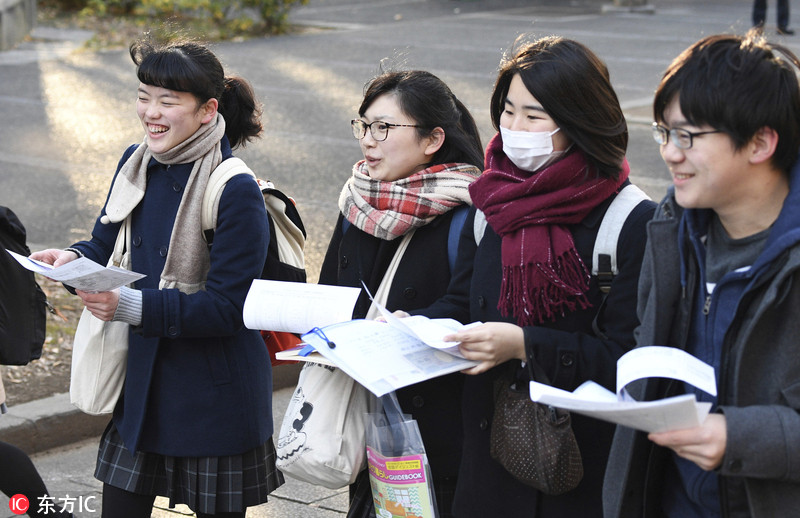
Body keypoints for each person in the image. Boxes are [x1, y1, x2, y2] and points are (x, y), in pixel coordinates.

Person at [30, 38, 282, 518]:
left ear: (208, 110)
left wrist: (129, 306)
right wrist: (69, 261)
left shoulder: (236, 190)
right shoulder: (135, 161)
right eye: (144, 95)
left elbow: (229, 308)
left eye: (168, 101)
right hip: (143, 388)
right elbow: (101, 247)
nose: (151, 112)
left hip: (215, 398)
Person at [409, 36, 655, 517]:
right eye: (507, 111)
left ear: (579, 120)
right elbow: (462, 303)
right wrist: (412, 326)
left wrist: (524, 345)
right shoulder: (493, 202)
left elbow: (630, 361)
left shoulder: (630, 219)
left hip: (576, 471)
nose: (515, 128)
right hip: (487, 468)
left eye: (535, 116)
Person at [603, 31, 800, 518]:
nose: (670, 153)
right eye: (664, 133)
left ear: (760, 142)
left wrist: (740, 436)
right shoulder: (671, 228)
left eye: (688, 136)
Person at [317, 69, 484, 518]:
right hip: (365, 421)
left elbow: (469, 305)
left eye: (384, 128)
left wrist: (412, 327)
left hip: (437, 433)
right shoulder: (357, 202)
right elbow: (334, 292)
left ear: (432, 140)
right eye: (364, 125)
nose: (368, 140)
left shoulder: (471, 213)